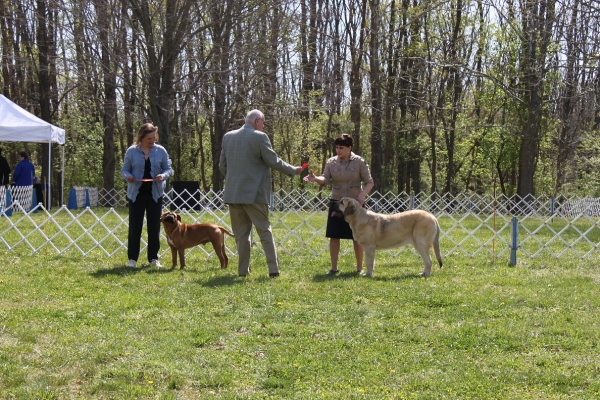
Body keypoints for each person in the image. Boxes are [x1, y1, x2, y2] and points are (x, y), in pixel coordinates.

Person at [219, 109, 304, 277]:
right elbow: (273, 161)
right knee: (264, 231)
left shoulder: (228, 137)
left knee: (241, 235)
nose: (263, 126)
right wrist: (293, 170)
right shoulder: (260, 137)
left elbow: (222, 166)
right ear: (257, 121)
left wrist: (235, 180)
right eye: (263, 122)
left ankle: (242, 271)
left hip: (233, 194)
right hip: (255, 194)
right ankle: (273, 270)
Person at [303, 133, 374, 275]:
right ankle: (334, 268)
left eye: (341, 148)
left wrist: (362, 195)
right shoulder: (331, 162)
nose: (338, 151)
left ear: (349, 148)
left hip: (355, 206)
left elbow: (369, 182)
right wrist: (316, 178)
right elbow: (325, 180)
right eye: (336, 148)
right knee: (334, 235)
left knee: (357, 237)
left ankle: (359, 268)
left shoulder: (359, 162)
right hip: (337, 203)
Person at [122, 123, 173, 268]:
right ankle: (132, 259)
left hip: (155, 193)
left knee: (154, 225)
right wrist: (128, 176)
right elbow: (124, 169)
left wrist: (163, 176)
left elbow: (169, 169)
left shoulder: (161, 151)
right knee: (135, 226)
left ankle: (153, 258)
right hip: (136, 193)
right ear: (142, 137)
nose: (152, 141)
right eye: (149, 139)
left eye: (154, 138)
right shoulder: (131, 151)